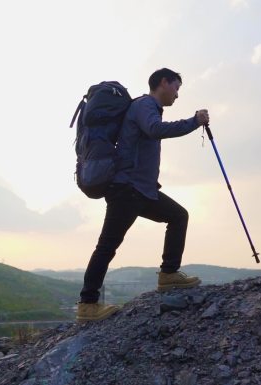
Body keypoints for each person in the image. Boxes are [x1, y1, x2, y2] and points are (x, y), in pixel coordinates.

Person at [76, 68, 210, 323]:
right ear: (163, 82)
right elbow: (154, 129)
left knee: (178, 216)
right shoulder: (145, 105)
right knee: (107, 246)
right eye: (176, 88)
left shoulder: (145, 106)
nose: (177, 95)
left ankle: (169, 275)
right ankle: (88, 305)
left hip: (143, 190)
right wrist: (194, 122)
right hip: (127, 190)